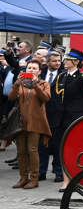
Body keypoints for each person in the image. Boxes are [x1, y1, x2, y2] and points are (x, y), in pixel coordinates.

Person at [54, 48, 83, 190]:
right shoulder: (62, 77)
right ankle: (66, 181)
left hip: (76, 118)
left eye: (68, 60)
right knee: (63, 149)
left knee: (78, 150)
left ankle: (80, 179)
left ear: (76, 62)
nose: (65, 62)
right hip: (62, 119)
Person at [8, 58, 51, 189]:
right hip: (20, 122)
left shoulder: (44, 84)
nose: (31, 70)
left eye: (34, 69)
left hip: (36, 122)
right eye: (29, 68)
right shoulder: (20, 84)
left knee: (32, 151)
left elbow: (45, 98)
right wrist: (16, 84)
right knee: (21, 151)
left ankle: (34, 179)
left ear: (39, 71)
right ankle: (23, 178)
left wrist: (36, 85)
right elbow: (11, 97)